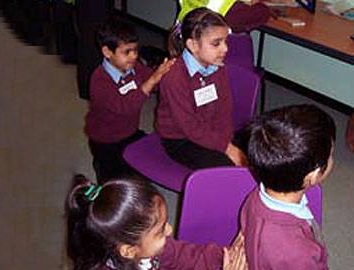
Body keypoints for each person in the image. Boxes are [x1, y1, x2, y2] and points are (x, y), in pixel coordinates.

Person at [66, 175, 248, 270]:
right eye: (160, 231)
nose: (169, 230)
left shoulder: (148, 249)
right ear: (128, 250)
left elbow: (187, 255)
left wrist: (227, 255)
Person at [240, 104, 336, 270]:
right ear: (312, 176)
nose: (332, 160)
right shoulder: (298, 254)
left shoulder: (256, 196)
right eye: (330, 156)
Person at [156, 7, 247, 169]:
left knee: (259, 150)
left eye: (225, 41)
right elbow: (189, 126)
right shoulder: (175, 76)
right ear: (192, 45)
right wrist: (226, 147)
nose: (225, 48)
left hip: (211, 129)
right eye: (216, 43)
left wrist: (227, 141)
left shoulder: (217, 67)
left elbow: (224, 109)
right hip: (180, 138)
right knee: (224, 168)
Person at [85, 20, 175, 183]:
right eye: (127, 52)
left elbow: (151, 80)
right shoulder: (99, 80)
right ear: (107, 52)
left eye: (135, 50)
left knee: (149, 160)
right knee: (113, 183)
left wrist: (165, 76)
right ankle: (101, 168)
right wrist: (152, 81)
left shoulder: (134, 67)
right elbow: (126, 106)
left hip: (129, 132)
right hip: (106, 140)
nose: (134, 56)